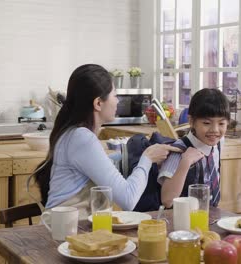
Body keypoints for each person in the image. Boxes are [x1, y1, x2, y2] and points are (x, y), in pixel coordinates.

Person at [34, 64, 180, 219]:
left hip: (68, 228)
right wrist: (147, 158)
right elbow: (128, 199)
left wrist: (124, 156)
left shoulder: (73, 133)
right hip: (65, 233)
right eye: (115, 96)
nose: (117, 102)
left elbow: (94, 166)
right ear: (98, 103)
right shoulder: (83, 138)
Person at [158, 88, 230, 208]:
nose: (215, 130)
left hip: (209, 215)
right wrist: (185, 163)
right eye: (206, 123)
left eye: (221, 123)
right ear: (191, 121)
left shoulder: (218, 143)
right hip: (181, 220)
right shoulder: (179, 151)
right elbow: (167, 200)